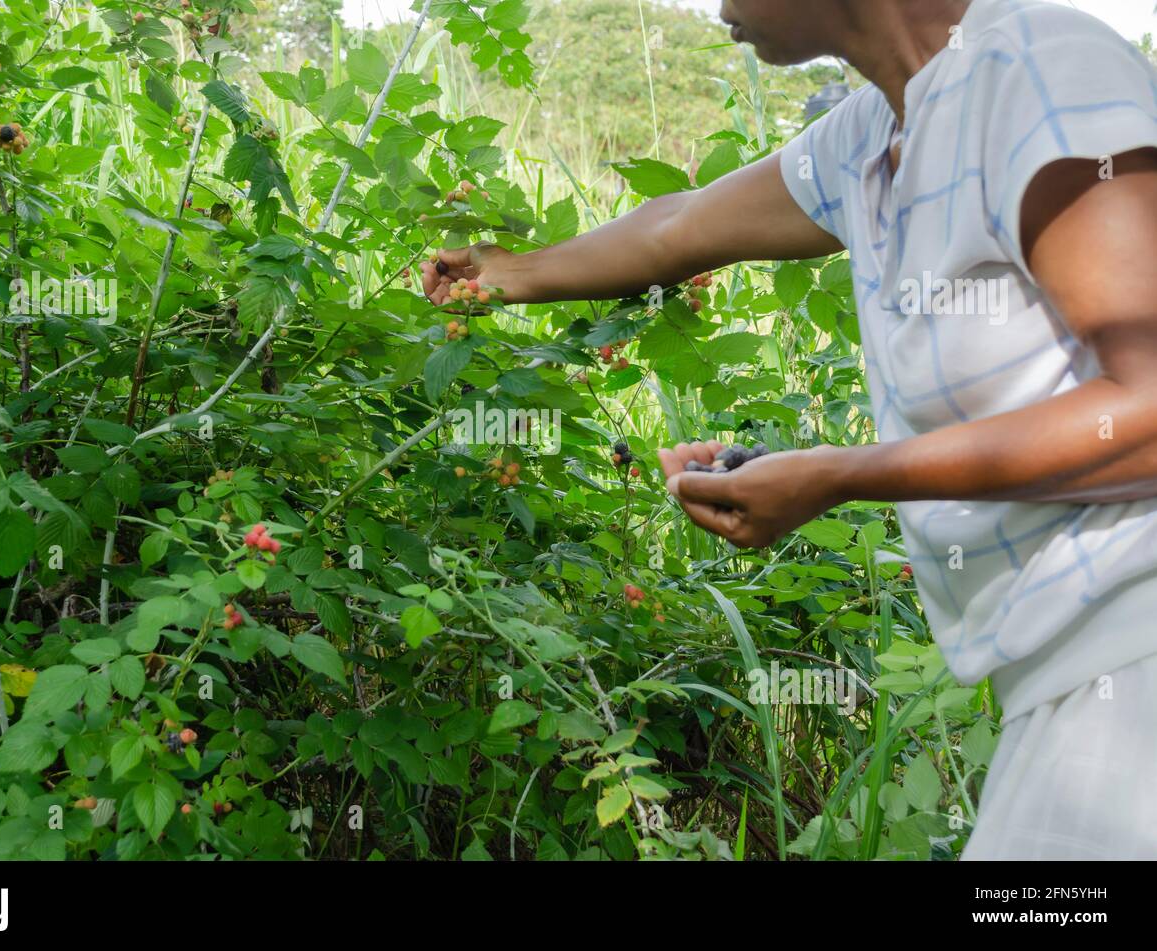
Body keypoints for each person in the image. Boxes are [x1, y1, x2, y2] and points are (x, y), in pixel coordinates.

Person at [421, 0, 1157, 859]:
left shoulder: (1037, 72)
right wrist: (505, 273)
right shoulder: (875, 134)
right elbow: (680, 223)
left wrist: (843, 474)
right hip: (1066, 682)